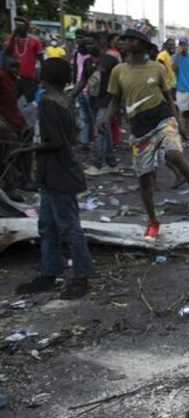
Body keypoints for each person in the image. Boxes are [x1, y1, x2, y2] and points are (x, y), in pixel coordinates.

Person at [102, 29, 189, 241]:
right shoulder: (118, 71)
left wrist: (178, 123)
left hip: (163, 121)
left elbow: (168, 97)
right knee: (145, 180)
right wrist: (106, 120)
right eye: (124, 39)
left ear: (143, 45)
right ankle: (153, 222)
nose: (125, 42)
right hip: (139, 130)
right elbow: (115, 101)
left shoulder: (157, 68)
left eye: (131, 39)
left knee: (173, 155)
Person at [14, 58, 94, 299]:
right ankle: (50, 273)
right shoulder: (65, 100)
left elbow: (57, 142)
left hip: (57, 172)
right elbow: (68, 135)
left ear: (44, 77)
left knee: (67, 227)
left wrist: (26, 150)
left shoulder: (48, 103)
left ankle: (81, 276)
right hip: (57, 172)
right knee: (48, 226)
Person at [83, 32, 122, 177]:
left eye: (90, 43)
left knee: (99, 131)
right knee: (104, 132)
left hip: (107, 99)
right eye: (85, 44)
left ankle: (97, 164)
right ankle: (112, 163)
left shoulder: (109, 58)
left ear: (100, 42)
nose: (87, 46)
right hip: (94, 100)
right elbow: (83, 80)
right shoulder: (89, 61)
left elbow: (100, 73)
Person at [0, 56, 33, 199]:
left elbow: (13, 107)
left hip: (12, 120)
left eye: (17, 68)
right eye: (12, 67)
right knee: (10, 145)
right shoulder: (1, 78)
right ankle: (10, 184)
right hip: (4, 122)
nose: (15, 71)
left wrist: (24, 125)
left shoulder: (13, 82)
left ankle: (25, 178)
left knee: (27, 139)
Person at [70, 31, 98, 150]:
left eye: (83, 39)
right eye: (78, 39)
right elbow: (78, 73)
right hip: (80, 89)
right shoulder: (78, 54)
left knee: (95, 119)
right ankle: (84, 142)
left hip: (92, 92)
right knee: (84, 117)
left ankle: (97, 145)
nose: (81, 42)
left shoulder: (97, 58)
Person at [6, 16, 44, 102]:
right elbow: (6, 53)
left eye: (21, 25)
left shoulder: (35, 41)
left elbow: (41, 60)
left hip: (29, 79)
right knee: (10, 102)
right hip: (14, 78)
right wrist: (13, 37)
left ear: (27, 27)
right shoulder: (12, 40)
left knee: (32, 103)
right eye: (17, 25)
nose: (18, 27)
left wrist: (43, 77)